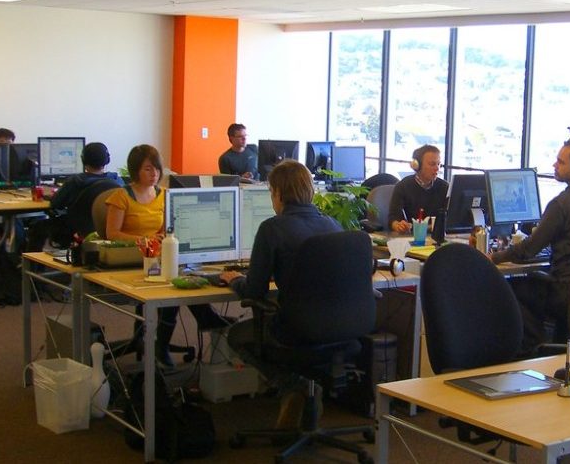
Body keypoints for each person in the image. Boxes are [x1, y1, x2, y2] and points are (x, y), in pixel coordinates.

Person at [220, 160, 341, 430]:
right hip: (340, 327)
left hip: (296, 328)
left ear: (277, 193)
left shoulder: (272, 228)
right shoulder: (332, 224)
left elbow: (254, 291)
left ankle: (293, 386)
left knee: (236, 335)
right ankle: (308, 392)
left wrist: (236, 279)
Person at [105, 144, 229, 366]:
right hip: (132, 257)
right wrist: (143, 240)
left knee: (186, 278)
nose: (154, 175)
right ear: (135, 170)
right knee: (173, 286)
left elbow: (168, 228)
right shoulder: (121, 196)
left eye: (157, 170)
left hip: (162, 255)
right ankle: (175, 337)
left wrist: (162, 238)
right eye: (148, 169)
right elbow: (112, 233)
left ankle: (174, 336)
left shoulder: (164, 195)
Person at [489, 140, 570, 343]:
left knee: (511, 288)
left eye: (560, 162)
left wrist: (494, 257)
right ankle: (550, 343)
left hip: (566, 291)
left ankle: (532, 349)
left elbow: (528, 250)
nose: (555, 165)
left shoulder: (562, 203)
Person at [24, 142, 123, 251]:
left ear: (83, 160)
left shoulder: (76, 181)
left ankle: (33, 266)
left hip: (75, 228)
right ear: (107, 160)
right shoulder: (117, 181)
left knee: (38, 226)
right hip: (107, 229)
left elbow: (56, 204)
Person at [387, 145, 448, 233]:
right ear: (417, 165)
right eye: (432, 164)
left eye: (439, 164)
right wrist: (397, 225)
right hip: (411, 237)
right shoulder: (403, 186)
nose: (437, 168)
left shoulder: (444, 187)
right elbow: (392, 219)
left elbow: (449, 217)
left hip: (436, 236)